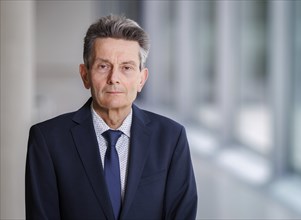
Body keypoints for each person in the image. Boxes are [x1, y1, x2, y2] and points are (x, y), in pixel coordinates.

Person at [25, 14, 198, 220]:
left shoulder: (171, 138)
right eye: (103, 66)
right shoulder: (47, 140)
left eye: (126, 68)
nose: (114, 78)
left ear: (141, 79)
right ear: (85, 75)